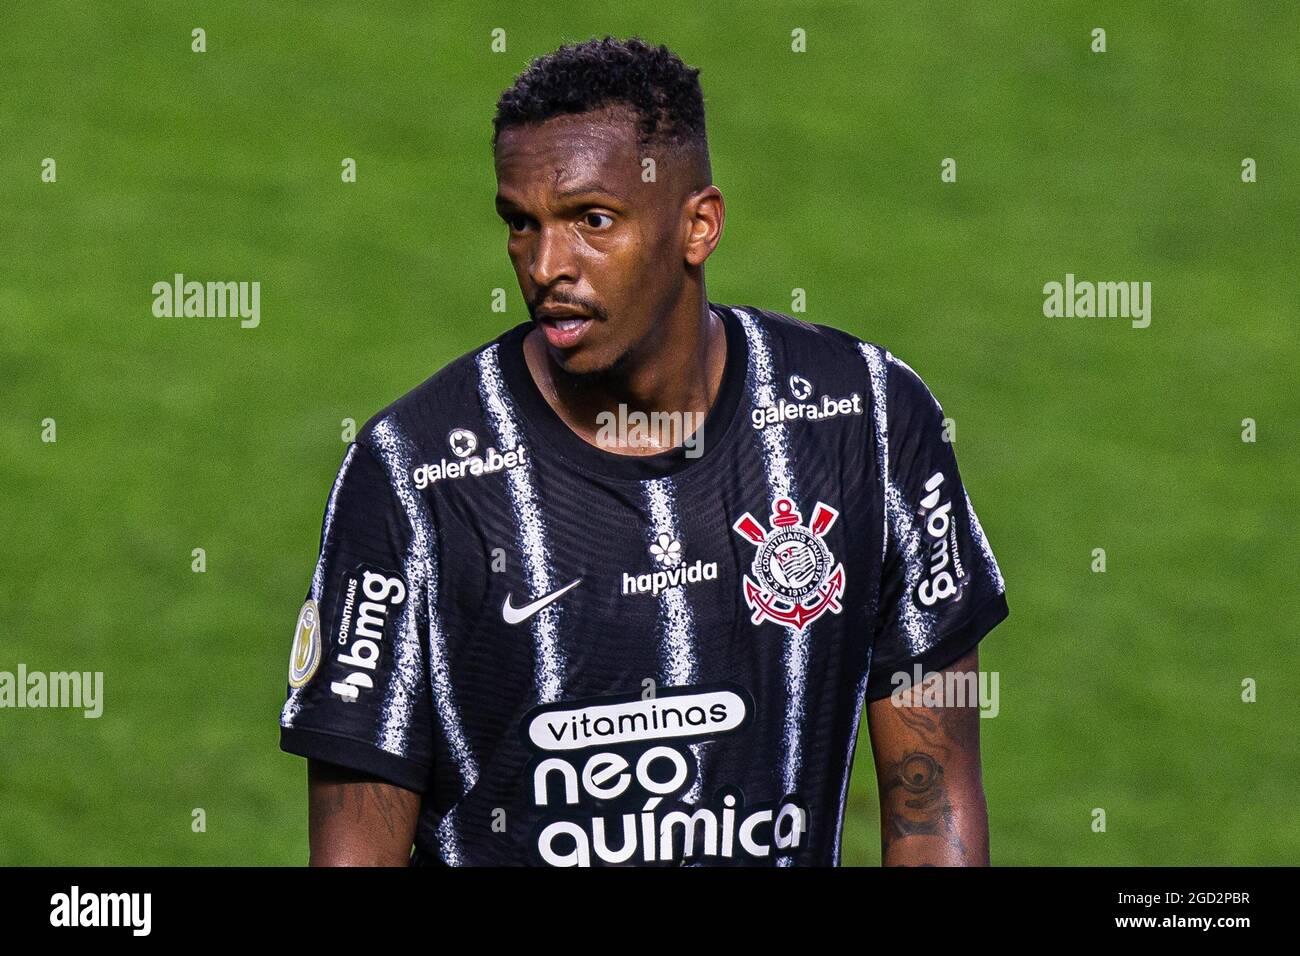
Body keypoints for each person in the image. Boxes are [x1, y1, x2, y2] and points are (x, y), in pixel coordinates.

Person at [279, 35, 1009, 867]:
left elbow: (933, 801)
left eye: (592, 220)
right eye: (521, 224)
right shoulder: (414, 477)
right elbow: (354, 852)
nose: (547, 265)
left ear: (698, 225)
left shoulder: (866, 420)